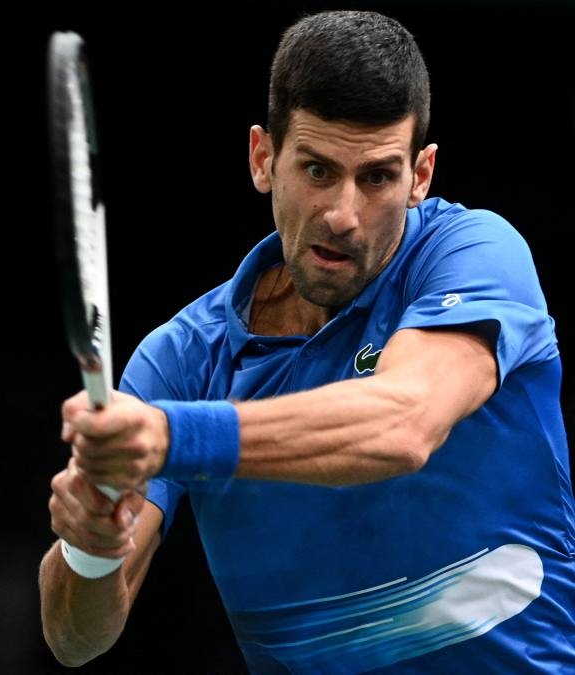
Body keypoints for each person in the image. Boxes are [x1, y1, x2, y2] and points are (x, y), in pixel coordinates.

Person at [38, 9, 575, 674]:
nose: (343, 214)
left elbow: (403, 422)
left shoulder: (474, 255)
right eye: (317, 170)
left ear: (421, 174)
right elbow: (75, 637)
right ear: (263, 158)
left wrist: (171, 435)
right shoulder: (181, 361)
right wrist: (90, 546)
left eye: (377, 176)